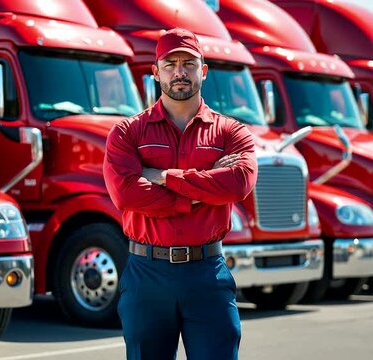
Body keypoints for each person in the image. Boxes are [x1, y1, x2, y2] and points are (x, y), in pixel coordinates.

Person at [103, 28, 258, 360]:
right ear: (155, 72)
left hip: (207, 272)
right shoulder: (127, 132)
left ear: (203, 70)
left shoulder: (231, 132)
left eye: (189, 63)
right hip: (147, 273)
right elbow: (127, 193)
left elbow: (238, 184)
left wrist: (161, 177)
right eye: (170, 63)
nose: (179, 72)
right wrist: (202, 190)